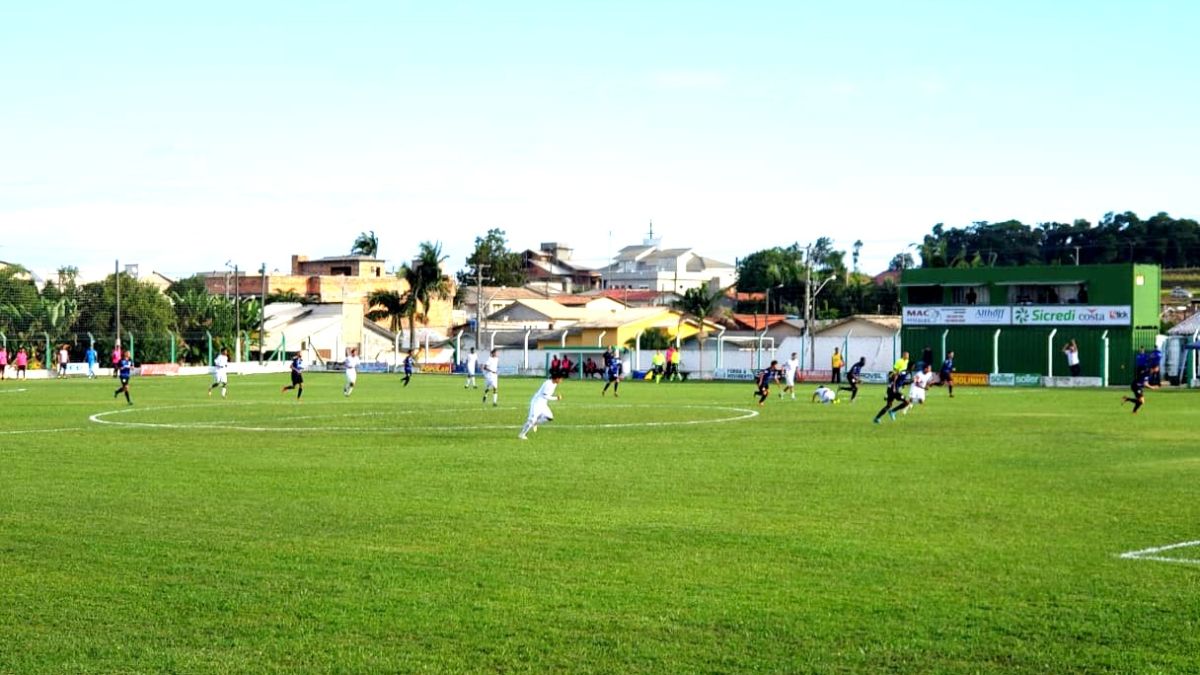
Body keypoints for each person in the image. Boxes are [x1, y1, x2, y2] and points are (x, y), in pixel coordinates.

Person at [519, 372, 563, 440]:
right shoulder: (548, 384)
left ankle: (536, 422)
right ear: (556, 378)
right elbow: (545, 396)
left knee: (550, 417)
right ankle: (522, 434)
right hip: (536, 403)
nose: (561, 381)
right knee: (531, 420)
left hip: (543, 404)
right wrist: (556, 398)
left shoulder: (554, 384)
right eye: (560, 379)